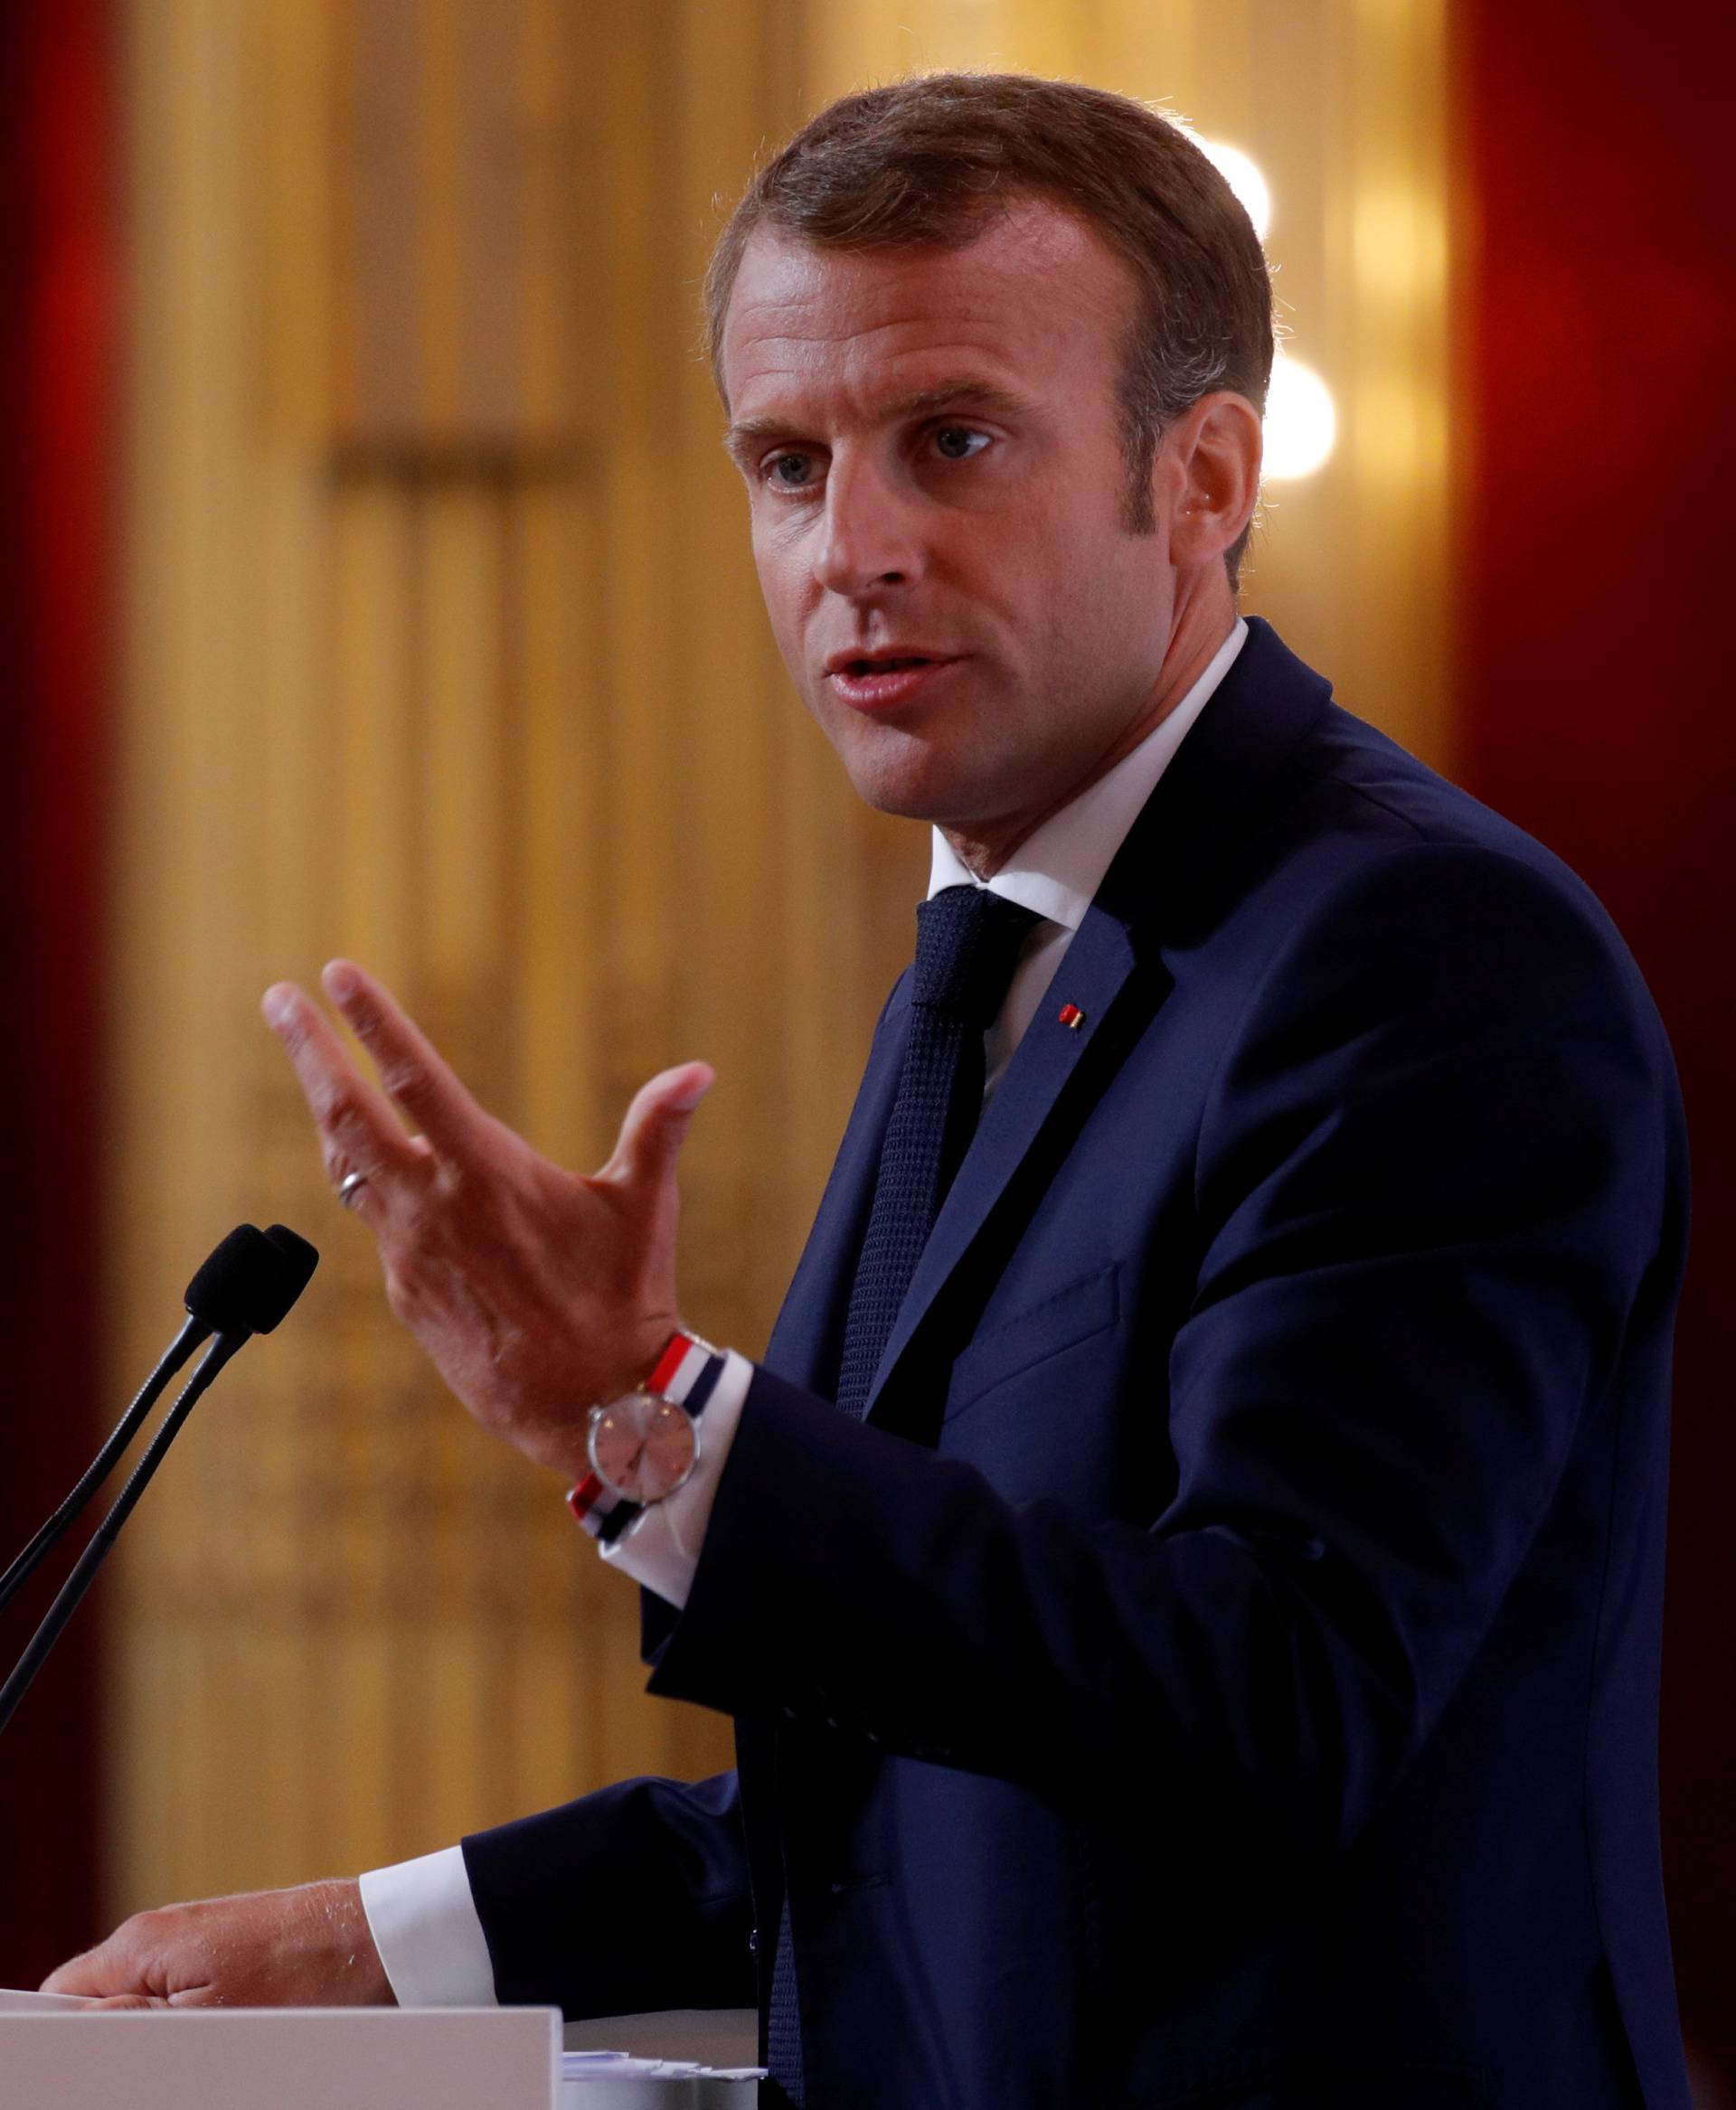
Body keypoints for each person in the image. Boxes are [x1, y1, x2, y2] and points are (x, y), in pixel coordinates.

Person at [46, 73, 1690, 2110]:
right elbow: (915, 1809)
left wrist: (654, 1413)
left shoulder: (1420, 959)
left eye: (956, 442)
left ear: (1202, 477)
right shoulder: (997, 965)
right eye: (786, 463)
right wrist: (362, 1954)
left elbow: (1277, 1703)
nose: (858, 548)